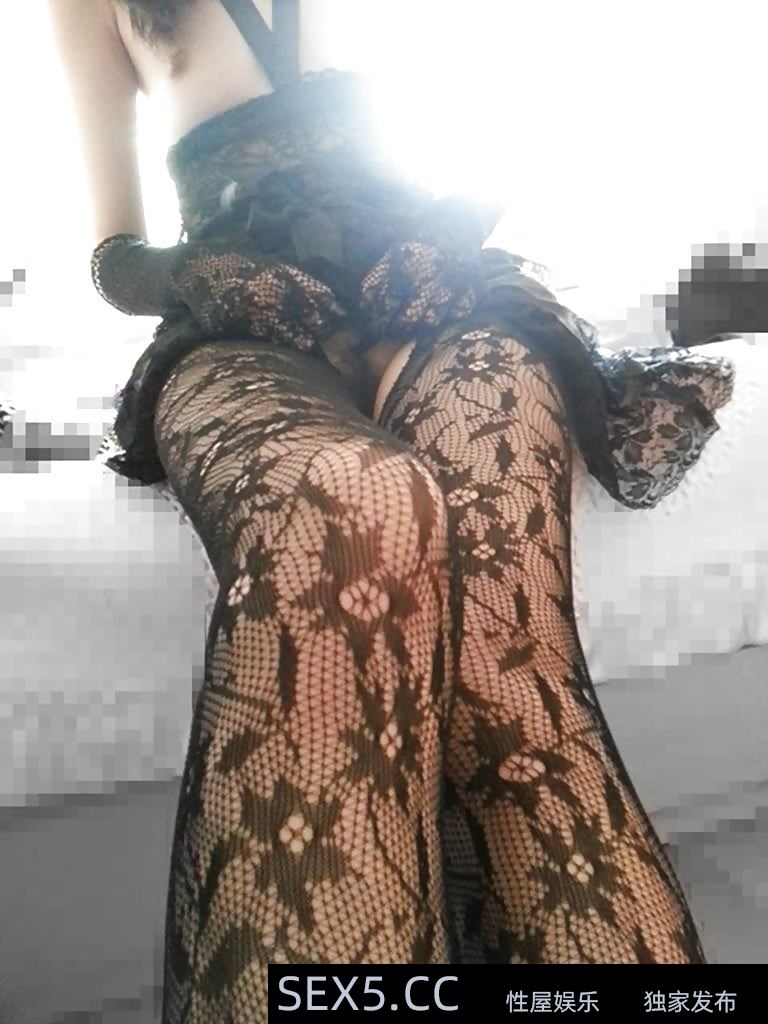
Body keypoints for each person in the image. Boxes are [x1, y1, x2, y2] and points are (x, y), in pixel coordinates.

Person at [50, 1, 735, 1020]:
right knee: (354, 502)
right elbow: (113, 253)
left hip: (439, 293)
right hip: (246, 321)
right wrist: (200, 273)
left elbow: (523, 115)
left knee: (505, 657)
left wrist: (455, 225)